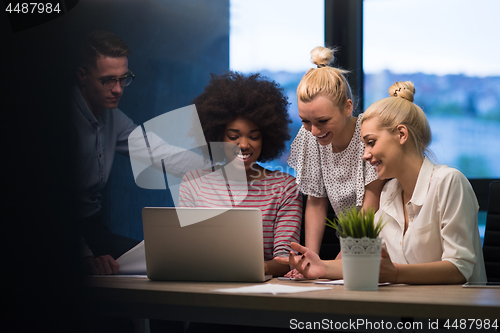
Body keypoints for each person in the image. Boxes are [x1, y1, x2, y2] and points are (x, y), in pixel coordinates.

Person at [280, 81, 487, 284]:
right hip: (407, 312)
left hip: (456, 315)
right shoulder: (389, 193)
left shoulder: (449, 182)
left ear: (401, 134)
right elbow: (368, 263)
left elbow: (460, 268)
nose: (365, 154)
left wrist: (395, 273)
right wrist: (322, 268)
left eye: (371, 143)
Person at [72, 31, 206, 275]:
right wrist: (83, 255)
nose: (118, 89)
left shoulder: (112, 117)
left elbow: (159, 153)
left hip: (93, 226)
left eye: (124, 79)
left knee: (160, 265)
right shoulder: (61, 122)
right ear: (82, 75)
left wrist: (221, 168)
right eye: (108, 80)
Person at [178, 71, 303, 277]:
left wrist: (258, 267)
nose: (244, 145)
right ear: (217, 136)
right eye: (233, 136)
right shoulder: (194, 183)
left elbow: (285, 259)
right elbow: (184, 250)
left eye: (253, 136)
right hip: (202, 285)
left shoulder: (285, 188)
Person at [287, 46, 385, 260]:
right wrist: (310, 258)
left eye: (322, 121)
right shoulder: (309, 137)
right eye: (305, 121)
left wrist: (347, 255)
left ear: (348, 108)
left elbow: (373, 198)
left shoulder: (367, 133)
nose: (314, 131)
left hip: (380, 236)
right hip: (349, 241)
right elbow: (315, 201)